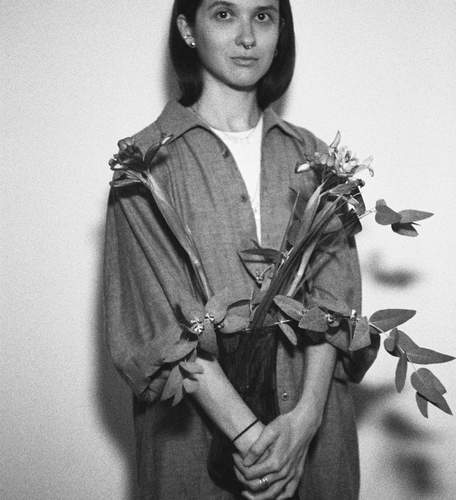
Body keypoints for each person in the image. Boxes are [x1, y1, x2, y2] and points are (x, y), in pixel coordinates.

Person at [104, 1, 379, 498]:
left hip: (314, 442)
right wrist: (258, 446)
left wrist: (304, 423)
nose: (248, 36)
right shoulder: (142, 165)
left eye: (264, 16)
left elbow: (335, 304)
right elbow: (160, 327)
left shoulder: (317, 158)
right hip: (192, 450)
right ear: (188, 29)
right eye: (225, 14)